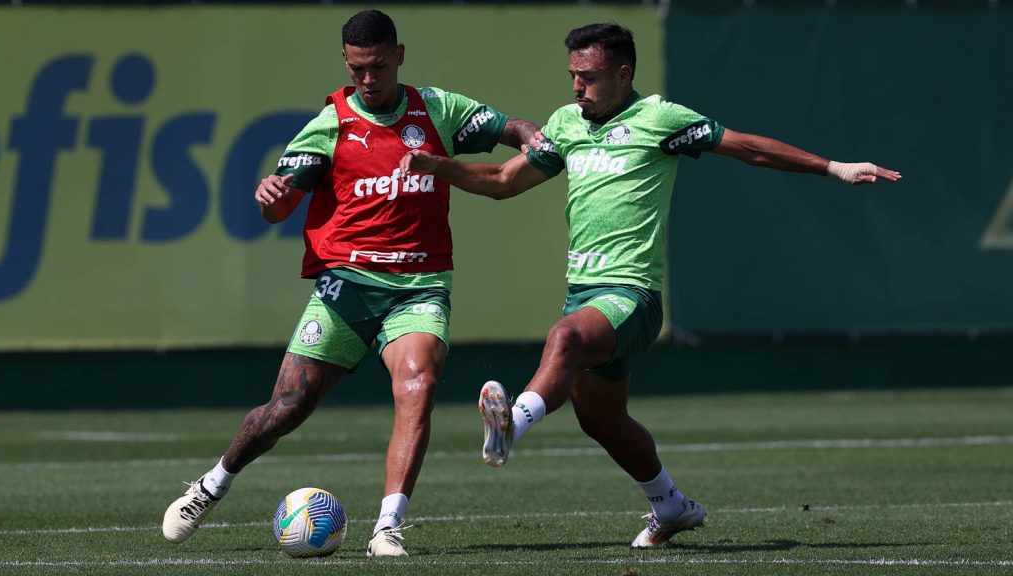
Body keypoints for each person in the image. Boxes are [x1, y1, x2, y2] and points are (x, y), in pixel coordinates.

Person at [398, 22, 901, 548]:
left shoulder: (660, 118)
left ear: (623, 73)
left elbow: (749, 148)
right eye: (572, 75)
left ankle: (512, 424)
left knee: (564, 338)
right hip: (584, 295)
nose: (576, 88)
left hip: (633, 297)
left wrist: (835, 168)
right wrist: (442, 167)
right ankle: (671, 505)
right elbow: (503, 182)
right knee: (603, 421)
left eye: (588, 77)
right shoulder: (567, 124)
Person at [161, 9, 538, 557]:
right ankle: (211, 484)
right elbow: (282, 203)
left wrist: (535, 136)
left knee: (418, 385)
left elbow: (511, 129)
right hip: (346, 286)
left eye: (379, 66)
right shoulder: (330, 122)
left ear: (400, 56)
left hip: (418, 284)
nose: (368, 78)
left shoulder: (438, 109)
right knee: (287, 406)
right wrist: (272, 196)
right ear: (345, 61)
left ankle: (387, 527)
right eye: (358, 68)